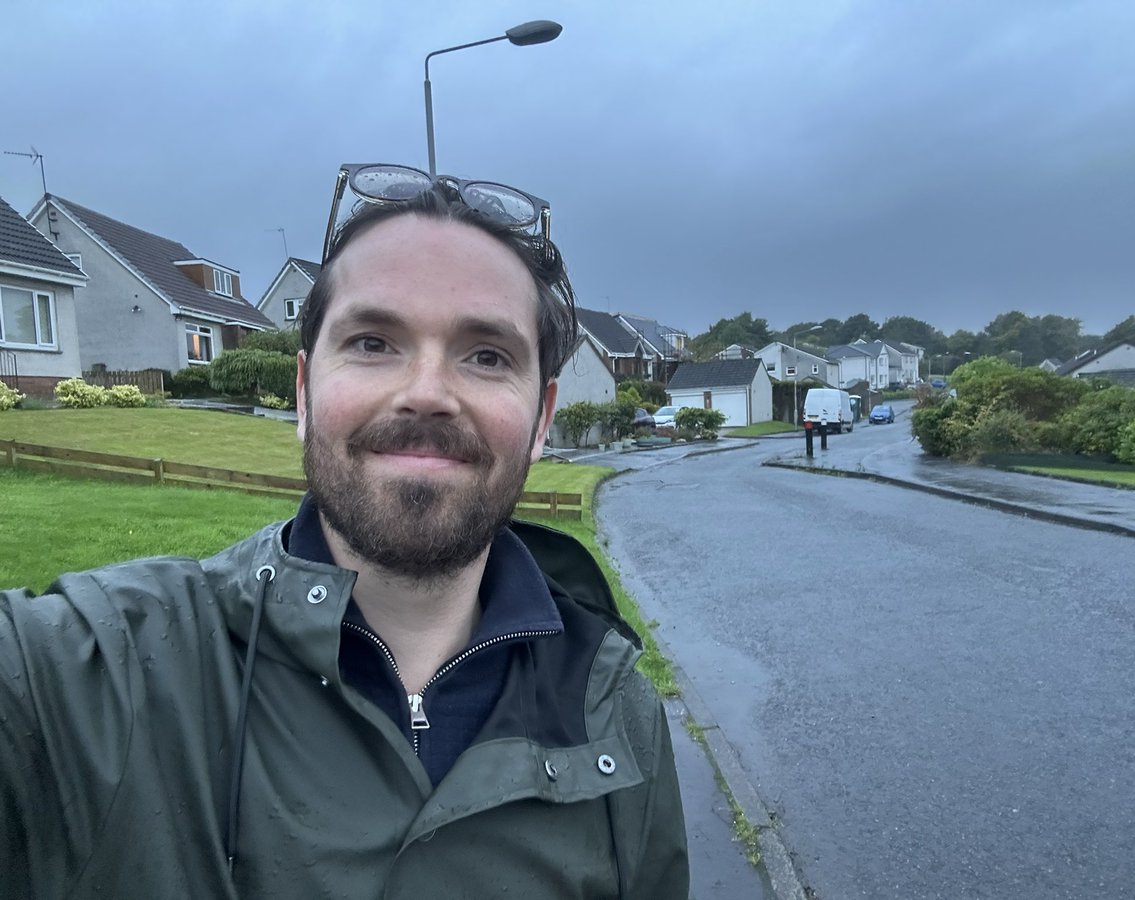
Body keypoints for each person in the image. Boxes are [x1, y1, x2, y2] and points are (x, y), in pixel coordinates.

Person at [0, 164, 689, 898]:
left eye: (486, 356)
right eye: (371, 342)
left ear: (543, 419)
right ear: (303, 391)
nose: (427, 393)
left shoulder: (616, 718)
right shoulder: (92, 677)